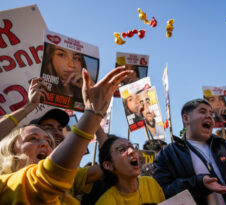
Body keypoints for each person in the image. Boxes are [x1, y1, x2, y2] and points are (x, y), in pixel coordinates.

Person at [0, 66, 130, 204]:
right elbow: (50, 174)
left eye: (48, 141)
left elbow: (112, 165)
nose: (55, 133)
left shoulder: (73, 178)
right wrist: (29, 106)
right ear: (10, 149)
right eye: (33, 138)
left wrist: (95, 121)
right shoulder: (6, 185)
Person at [153, 99, 226, 205]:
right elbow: (162, 192)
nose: (209, 116)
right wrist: (198, 183)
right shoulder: (168, 154)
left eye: (211, 114)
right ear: (186, 119)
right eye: (202, 112)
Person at [96, 136, 165, 204]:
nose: (132, 151)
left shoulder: (151, 183)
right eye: (122, 149)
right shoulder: (106, 202)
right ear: (109, 165)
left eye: (132, 147)